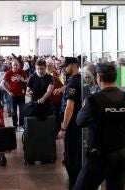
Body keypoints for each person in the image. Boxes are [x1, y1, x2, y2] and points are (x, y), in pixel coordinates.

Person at [74, 63, 125, 190]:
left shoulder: (94, 100)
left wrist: (85, 105)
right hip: (122, 155)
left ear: (99, 78)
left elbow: (79, 122)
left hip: (100, 157)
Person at [56, 57, 83, 190]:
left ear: (73, 66)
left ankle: (74, 185)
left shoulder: (73, 83)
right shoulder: (79, 80)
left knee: (71, 159)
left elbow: (69, 108)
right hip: (80, 125)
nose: (63, 69)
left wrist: (63, 128)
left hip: (72, 126)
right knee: (77, 156)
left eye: (65, 66)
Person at [0, 60, 28, 131]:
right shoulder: (8, 73)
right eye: (14, 65)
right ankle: (15, 125)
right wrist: (8, 92)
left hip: (21, 95)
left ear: (18, 65)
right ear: (11, 66)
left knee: (22, 111)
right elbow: (2, 84)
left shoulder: (22, 72)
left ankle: (21, 125)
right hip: (12, 95)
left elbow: (28, 80)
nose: (15, 66)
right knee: (13, 111)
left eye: (16, 65)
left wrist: (23, 80)